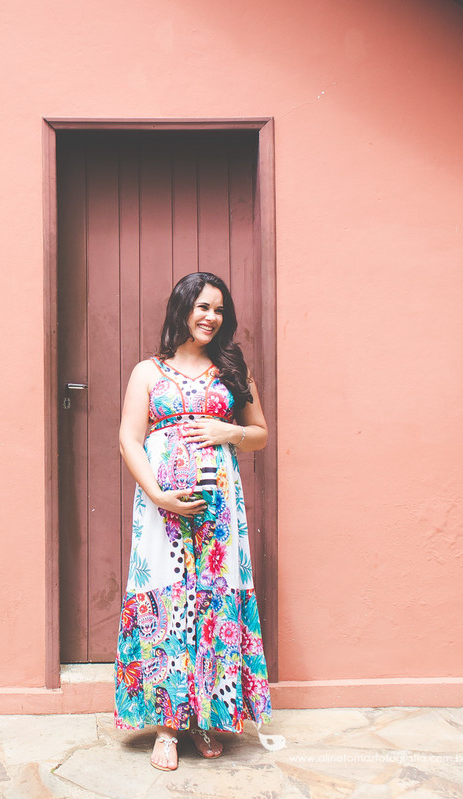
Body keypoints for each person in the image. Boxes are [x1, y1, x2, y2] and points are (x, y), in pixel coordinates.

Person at [114, 271, 272, 771]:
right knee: (166, 595)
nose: (211, 317)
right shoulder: (148, 372)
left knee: (212, 597)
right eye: (202, 306)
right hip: (162, 508)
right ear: (181, 309)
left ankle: (206, 716)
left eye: (219, 309)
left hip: (220, 511)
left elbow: (261, 434)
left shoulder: (231, 369)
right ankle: (167, 724)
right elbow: (129, 440)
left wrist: (230, 430)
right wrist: (159, 494)